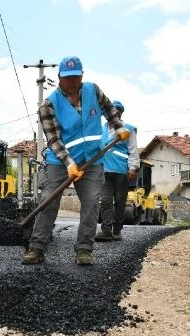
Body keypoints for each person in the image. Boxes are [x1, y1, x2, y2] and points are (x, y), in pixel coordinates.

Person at [22, 56, 130, 266]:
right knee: (49, 201)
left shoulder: (93, 91)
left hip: (92, 159)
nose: (71, 82)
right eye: (67, 78)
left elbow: (110, 109)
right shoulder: (48, 105)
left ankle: (84, 249)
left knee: (91, 204)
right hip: (58, 161)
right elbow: (53, 139)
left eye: (75, 77)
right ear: (59, 77)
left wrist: (118, 126)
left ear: (81, 75)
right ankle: (36, 247)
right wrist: (69, 164)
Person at [95, 100, 139, 242]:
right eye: (112, 111)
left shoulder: (128, 129)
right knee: (106, 201)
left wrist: (133, 167)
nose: (114, 113)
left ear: (120, 113)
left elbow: (133, 150)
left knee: (120, 201)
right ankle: (106, 230)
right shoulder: (100, 129)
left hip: (121, 171)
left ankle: (117, 230)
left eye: (117, 111)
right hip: (104, 169)